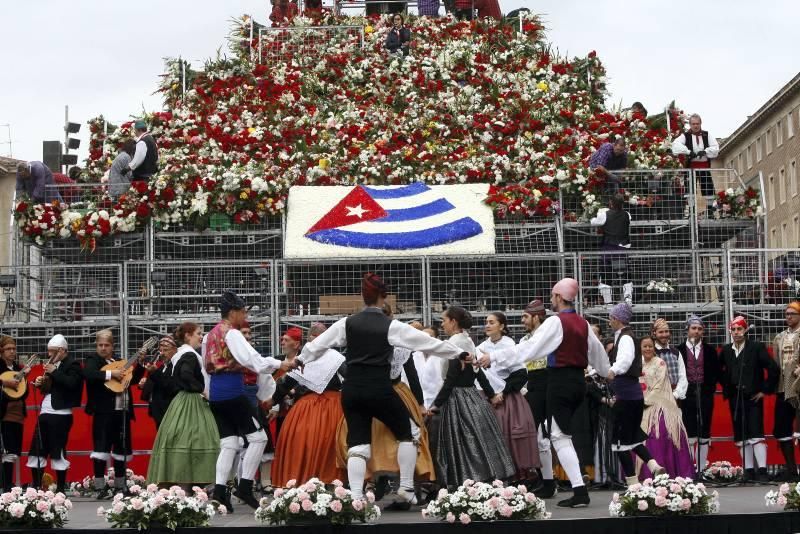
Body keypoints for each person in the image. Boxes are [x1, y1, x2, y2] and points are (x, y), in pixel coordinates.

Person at [296, 273, 469, 504]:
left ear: (362, 296)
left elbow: (316, 345)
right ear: (383, 296)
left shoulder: (345, 324)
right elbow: (427, 342)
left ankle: (356, 496)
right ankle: (406, 487)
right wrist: (460, 353)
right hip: (379, 389)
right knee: (409, 433)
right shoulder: (391, 326)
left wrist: (299, 360)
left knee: (357, 443)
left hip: (351, 391)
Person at [479, 278, 611, 508]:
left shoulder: (555, 322)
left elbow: (529, 348)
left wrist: (495, 356)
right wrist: (608, 372)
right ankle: (570, 487)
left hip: (560, 381)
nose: (551, 300)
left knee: (559, 436)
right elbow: (598, 353)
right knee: (558, 435)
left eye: (552, 296)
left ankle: (579, 491)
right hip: (578, 381)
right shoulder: (582, 323)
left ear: (559, 297)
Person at [204, 290, 296, 510]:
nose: (245, 316)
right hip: (234, 392)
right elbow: (252, 360)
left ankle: (219, 492)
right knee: (259, 438)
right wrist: (280, 364)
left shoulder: (210, 335)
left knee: (229, 442)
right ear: (233, 311)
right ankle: (244, 487)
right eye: (243, 312)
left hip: (216, 394)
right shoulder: (232, 333)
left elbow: (205, 367)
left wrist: (208, 391)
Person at [430, 306, 515, 489]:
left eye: (444, 320)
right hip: (472, 396)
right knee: (477, 439)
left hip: (457, 397)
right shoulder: (467, 339)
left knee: (462, 442)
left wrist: (437, 403)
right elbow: (478, 372)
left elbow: (452, 377)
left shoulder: (455, 343)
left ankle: (465, 480)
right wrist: (490, 394)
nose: (442, 324)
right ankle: (482, 479)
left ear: (453, 322)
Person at [272, 322, 346, 488]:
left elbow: (286, 383)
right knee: (331, 443)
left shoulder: (305, 356)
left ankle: (300, 479)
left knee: (302, 441)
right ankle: (332, 480)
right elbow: (350, 377)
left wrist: (271, 401)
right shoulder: (336, 358)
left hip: (306, 408)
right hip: (332, 406)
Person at [148, 322, 219, 487]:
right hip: (191, 401)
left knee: (180, 440)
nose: (201, 336)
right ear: (187, 335)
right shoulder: (189, 355)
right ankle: (191, 482)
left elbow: (174, 381)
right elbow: (186, 375)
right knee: (196, 439)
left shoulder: (179, 355)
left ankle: (179, 483)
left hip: (180, 401)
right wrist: (201, 389)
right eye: (198, 333)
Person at [605, 303, 665, 488]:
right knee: (631, 437)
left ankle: (632, 484)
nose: (609, 322)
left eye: (611, 318)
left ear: (617, 319)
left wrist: (612, 371)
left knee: (619, 442)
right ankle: (654, 466)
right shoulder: (624, 337)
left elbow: (625, 359)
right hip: (632, 396)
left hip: (626, 396)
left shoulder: (625, 339)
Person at [476, 312, 540, 484]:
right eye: (486, 322)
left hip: (507, 398)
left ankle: (514, 475)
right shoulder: (481, 346)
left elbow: (520, 374)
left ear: (502, 326)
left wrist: (502, 393)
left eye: (492, 322)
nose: (487, 325)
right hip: (488, 396)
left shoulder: (510, 345)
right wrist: (491, 394)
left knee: (509, 436)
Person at [83, 330, 146, 499]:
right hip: (103, 412)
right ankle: (99, 488)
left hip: (122, 411)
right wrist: (111, 374)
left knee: (121, 449)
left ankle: (120, 486)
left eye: (107, 345)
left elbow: (131, 380)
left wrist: (139, 365)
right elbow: (89, 375)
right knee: (100, 449)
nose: (103, 348)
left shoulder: (120, 362)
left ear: (113, 346)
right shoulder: (92, 360)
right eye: (100, 345)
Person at [720, 316, 778, 482]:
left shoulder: (756, 347)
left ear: (745, 330)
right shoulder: (726, 350)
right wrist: (728, 388)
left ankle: (762, 470)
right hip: (735, 399)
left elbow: (772, 368)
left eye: (739, 329)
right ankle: (748, 470)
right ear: (730, 331)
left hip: (753, 397)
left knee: (756, 433)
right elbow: (719, 371)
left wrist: (764, 390)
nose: (736, 332)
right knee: (741, 436)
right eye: (734, 329)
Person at [27, 335, 83, 493]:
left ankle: (60, 488)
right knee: (37, 449)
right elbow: (51, 388)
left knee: (58, 450)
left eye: (52, 352)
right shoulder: (53, 365)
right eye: (48, 352)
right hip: (45, 412)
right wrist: (40, 383)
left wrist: (55, 371)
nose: (49, 356)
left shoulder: (73, 365)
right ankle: (37, 486)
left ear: (61, 351)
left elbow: (71, 383)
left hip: (60, 413)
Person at [638, 335, 695, 480]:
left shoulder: (660, 363)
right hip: (640, 405)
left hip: (660, 404)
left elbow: (658, 386)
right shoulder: (637, 364)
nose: (648, 349)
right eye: (645, 346)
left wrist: (645, 401)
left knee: (661, 431)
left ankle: (669, 473)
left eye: (650, 346)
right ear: (640, 348)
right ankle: (644, 476)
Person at [519, 300, 556, 496]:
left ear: (536, 316)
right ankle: (545, 480)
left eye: (526, 316)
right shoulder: (524, 340)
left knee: (549, 435)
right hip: (532, 387)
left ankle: (550, 482)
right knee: (536, 436)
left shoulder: (550, 338)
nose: (522, 320)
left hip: (549, 384)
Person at [678, 315, 720, 477]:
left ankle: (701, 468)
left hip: (705, 394)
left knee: (704, 430)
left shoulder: (709, 351)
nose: (696, 331)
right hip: (686, 395)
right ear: (687, 330)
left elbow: (716, 372)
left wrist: (709, 388)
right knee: (689, 431)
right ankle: (689, 469)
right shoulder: (679, 350)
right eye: (693, 328)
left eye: (700, 329)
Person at [771, 301, 800, 481]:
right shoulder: (779, 337)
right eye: (786, 313)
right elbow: (776, 364)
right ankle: (791, 470)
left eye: (792, 313)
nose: (788, 316)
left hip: (799, 386)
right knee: (781, 428)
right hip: (783, 388)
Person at [590, 194, 633, 305]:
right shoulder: (627, 215)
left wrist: (597, 214)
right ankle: (628, 299)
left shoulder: (605, 214)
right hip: (622, 248)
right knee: (624, 273)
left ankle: (608, 301)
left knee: (606, 273)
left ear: (611, 203)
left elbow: (594, 222)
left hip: (609, 249)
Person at [0, 336, 29, 491]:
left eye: (13, 349)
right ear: (2, 351)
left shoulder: (18, 368)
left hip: (18, 415)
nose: (12, 352)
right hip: (4, 415)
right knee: (7, 451)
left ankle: (8, 485)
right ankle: (6, 486)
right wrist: (5, 383)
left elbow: (24, 393)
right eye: (8, 349)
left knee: (14, 451)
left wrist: (24, 379)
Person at [670, 113, 719, 199]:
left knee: (709, 191)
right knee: (690, 191)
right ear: (690, 124)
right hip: (690, 168)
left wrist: (705, 151)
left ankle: (710, 211)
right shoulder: (685, 135)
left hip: (704, 167)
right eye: (693, 124)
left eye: (697, 123)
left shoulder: (707, 135)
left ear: (700, 123)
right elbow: (675, 145)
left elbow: (715, 148)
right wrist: (688, 152)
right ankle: (691, 210)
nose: (695, 126)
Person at [140, 336, 178, 429]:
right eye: (160, 350)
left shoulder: (176, 366)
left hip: (168, 411)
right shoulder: (162, 366)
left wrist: (154, 372)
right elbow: (157, 382)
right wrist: (145, 383)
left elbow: (169, 386)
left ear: (175, 350)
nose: (162, 353)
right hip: (158, 411)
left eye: (165, 350)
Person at [651, 319, 688, 401]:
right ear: (654, 333)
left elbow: (683, 376)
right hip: (655, 398)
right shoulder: (650, 353)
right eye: (661, 332)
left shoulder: (676, 352)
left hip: (674, 397)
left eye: (666, 331)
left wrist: (676, 394)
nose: (664, 335)